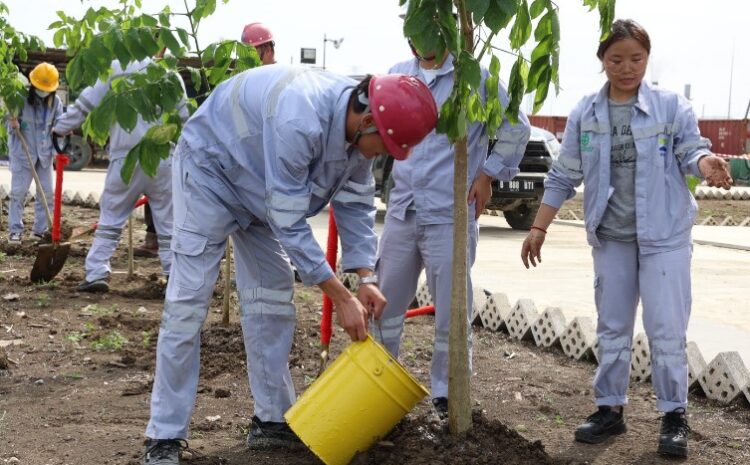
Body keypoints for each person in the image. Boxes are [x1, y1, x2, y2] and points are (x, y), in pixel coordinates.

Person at [141, 65, 438, 464]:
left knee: (272, 297)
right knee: (188, 303)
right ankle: (164, 436)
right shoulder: (300, 118)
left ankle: (271, 422)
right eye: (384, 145)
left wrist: (365, 276)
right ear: (367, 120)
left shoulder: (359, 132)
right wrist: (340, 295)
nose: (382, 155)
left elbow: (354, 204)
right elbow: (288, 220)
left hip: (260, 191)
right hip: (211, 175)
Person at [520, 19, 733, 459]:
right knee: (613, 327)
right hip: (612, 236)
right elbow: (564, 174)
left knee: (666, 330)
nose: (626, 67)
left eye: (636, 58)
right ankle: (609, 410)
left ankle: (674, 416)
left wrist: (707, 162)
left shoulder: (671, 106)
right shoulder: (586, 111)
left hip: (664, 236)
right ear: (602, 61)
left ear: (647, 59)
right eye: (616, 59)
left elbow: (690, 151)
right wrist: (538, 226)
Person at [372, 30, 530, 418]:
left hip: (450, 211)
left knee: (450, 309)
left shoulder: (473, 77)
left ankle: (447, 395)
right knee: (385, 300)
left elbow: (516, 126)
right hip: (404, 209)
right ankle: (376, 383)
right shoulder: (396, 75)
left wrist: (488, 174)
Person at [53, 57, 189, 293]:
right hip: (163, 158)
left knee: (111, 218)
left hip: (126, 158)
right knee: (168, 224)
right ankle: (173, 276)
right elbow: (185, 121)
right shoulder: (171, 74)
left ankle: (96, 273)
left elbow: (85, 104)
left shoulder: (114, 67)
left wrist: (60, 128)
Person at [6, 63, 64, 245]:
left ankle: (39, 231)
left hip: (45, 154)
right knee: (18, 192)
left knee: (46, 193)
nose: (43, 92)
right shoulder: (20, 99)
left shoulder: (56, 103)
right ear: (33, 85)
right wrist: (12, 124)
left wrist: (57, 150)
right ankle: (15, 230)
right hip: (23, 153)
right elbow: (7, 121)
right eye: (40, 88)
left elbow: (60, 128)